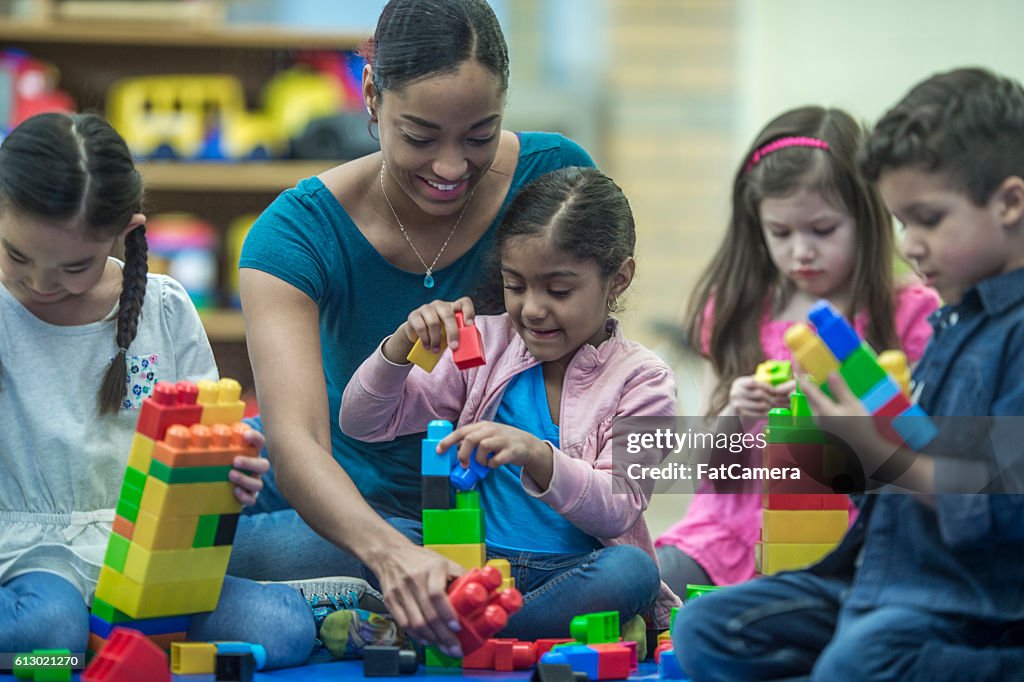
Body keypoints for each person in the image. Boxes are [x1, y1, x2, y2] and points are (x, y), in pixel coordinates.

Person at [238, 0, 595, 656]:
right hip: (356, 514)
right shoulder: (295, 235)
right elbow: (298, 445)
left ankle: (384, 609)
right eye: (422, 137)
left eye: (480, 135)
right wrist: (392, 555)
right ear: (372, 96)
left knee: (628, 571)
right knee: (278, 555)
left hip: (508, 517)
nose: (453, 168)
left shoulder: (556, 180)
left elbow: (597, 376)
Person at [673, 67, 1024, 682]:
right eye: (903, 223)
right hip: (872, 575)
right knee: (706, 628)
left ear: (1010, 202)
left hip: (964, 598)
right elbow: (909, 460)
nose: (911, 245)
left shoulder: (994, 331)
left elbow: (986, 500)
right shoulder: (954, 324)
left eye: (929, 220)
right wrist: (850, 448)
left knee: (858, 663)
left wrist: (873, 454)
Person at [0, 112, 342, 669]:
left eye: (74, 266)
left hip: (151, 558)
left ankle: (79, 653)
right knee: (51, 626)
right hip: (28, 559)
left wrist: (229, 471)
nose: (40, 282)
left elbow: (210, 438)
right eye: (17, 256)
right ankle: (74, 648)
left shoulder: (163, 307)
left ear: (124, 232)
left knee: (283, 629)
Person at [340, 166, 678, 641]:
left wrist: (536, 454)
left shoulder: (644, 379)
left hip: (572, 572)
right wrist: (398, 350)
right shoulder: (485, 344)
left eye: (558, 291)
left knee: (632, 571)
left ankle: (457, 627)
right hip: (472, 564)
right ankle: (477, 620)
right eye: (515, 286)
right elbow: (362, 423)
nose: (532, 308)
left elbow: (619, 507)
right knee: (383, 535)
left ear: (618, 279)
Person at [654, 106, 940, 596]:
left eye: (823, 230)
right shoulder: (741, 310)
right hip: (727, 532)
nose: (800, 251)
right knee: (648, 584)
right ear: (756, 225)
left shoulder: (908, 314)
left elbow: (920, 449)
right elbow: (711, 468)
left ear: (867, 217)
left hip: (846, 535)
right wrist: (735, 416)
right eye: (780, 233)